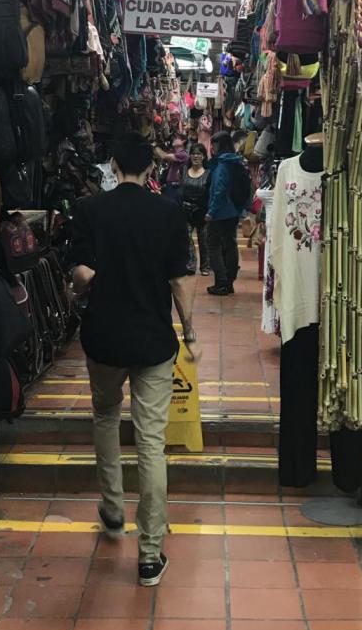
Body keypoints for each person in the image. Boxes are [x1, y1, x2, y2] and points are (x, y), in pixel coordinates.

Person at [69, 132, 199, 586]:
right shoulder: (167, 213)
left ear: (112, 164)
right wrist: (191, 333)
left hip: (103, 336)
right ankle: (148, 555)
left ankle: (110, 509)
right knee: (151, 441)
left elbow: (81, 273)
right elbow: (179, 281)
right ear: (150, 169)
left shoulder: (88, 210)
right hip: (152, 340)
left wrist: (92, 279)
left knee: (105, 417)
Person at [206, 129, 252, 296]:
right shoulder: (237, 162)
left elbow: (219, 190)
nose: (212, 148)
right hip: (233, 211)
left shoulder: (223, 164)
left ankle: (222, 282)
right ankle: (229, 280)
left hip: (220, 212)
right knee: (230, 243)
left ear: (221, 145)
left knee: (213, 245)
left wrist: (211, 212)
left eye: (215, 144)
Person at [180, 143, 211, 275]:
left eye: (199, 153)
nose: (196, 156)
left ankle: (205, 267)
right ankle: (191, 264)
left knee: (204, 240)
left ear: (204, 156)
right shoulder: (183, 171)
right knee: (186, 238)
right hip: (186, 211)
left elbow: (210, 193)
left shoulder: (209, 173)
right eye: (193, 153)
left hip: (203, 211)